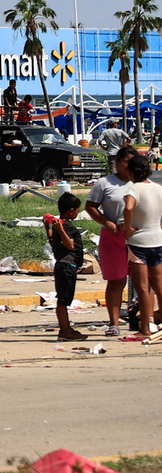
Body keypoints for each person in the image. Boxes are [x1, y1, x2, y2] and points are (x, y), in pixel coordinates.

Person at [86, 147, 135, 332]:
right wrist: (106, 222)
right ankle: (113, 323)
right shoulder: (105, 183)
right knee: (116, 281)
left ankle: (144, 320)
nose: (129, 166)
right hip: (114, 237)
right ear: (117, 162)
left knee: (144, 281)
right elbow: (91, 206)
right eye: (126, 162)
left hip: (138, 238)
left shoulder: (139, 183)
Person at [120, 152, 162, 337]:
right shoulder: (158, 188)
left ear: (131, 171)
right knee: (160, 285)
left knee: (143, 287)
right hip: (157, 238)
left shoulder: (133, 189)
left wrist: (127, 228)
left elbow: (129, 207)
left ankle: (145, 328)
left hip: (139, 242)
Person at [46, 193, 87, 342]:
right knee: (63, 301)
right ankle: (65, 330)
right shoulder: (66, 226)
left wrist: (47, 226)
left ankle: (66, 328)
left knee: (63, 300)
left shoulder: (58, 224)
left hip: (62, 265)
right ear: (71, 210)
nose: (77, 213)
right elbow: (70, 246)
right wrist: (62, 230)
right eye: (77, 210)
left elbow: (52, 242)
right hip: (66, 266)